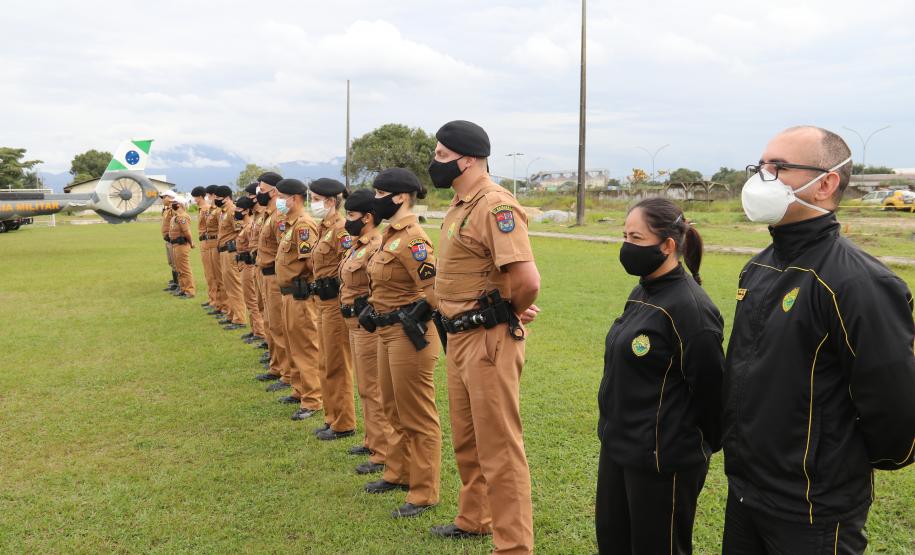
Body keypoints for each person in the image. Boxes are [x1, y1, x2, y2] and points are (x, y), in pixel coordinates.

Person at [722, 126, 915, 554]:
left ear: (826, 183)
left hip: (814, 508)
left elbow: (895, 404)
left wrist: (835, 466)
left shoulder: (859, 281)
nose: (762, 178)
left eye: (780, 167)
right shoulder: (758, 268)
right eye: (761, 165)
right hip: (746, 492)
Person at [427, 120, 540, 554]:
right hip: (459, 337)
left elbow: (527, 278)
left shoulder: (494, 205)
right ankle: (475, 517)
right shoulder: (461, 204)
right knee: (468, 438)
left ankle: (513, 547)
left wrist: (507, 308)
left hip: (487, 339)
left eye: (440, 155)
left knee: (500, 449)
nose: (434, 164)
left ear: (467, 159)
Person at [595, 198, 724, 555]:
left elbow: (712, 393)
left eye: (636, 238)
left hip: (661, 461)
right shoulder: (642, 291)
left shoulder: (693, 310)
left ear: (667, 245)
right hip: (619, 447)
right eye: (624, 235)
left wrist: (684, 446)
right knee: (613, 542)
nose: (626, 246)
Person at [362, 168, 441, 519]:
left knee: (417, 413)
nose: (374, 199)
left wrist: (412, 313)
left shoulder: (414, 240)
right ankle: (398, 473)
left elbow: (435, 294)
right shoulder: (389, 236)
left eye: (380, 193)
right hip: (386, 331)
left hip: (410, 335)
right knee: (392, 406)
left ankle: (424, 492)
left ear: (400, 197)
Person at [338, 188, 393, 474]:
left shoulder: (375, 245)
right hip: (353, 322)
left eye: (352, 215)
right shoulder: (358, 244)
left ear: (368, 217)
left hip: (367, 324)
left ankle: (382, 450)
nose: (348, 220)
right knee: (365, 386)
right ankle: (373, 439)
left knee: (372, 388)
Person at [309, 178, 357, 441]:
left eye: (315, 199)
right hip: (322, 303)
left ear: (330, 201)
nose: (312, 203)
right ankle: (332, 417)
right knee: (325, 361)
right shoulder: (323, 228)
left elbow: (349, 268)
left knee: (337, 363)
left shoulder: (341, 230)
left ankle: (344, 422)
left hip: (336, 305)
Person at [273, 178, 324, 420]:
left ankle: (313, 399)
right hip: (288, 295)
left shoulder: (304, 226)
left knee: (306, 347)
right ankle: (299, 390)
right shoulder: (290, 224)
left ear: (294, 199)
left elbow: (311, 262)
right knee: (293, 346)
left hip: (301, 296)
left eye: (281, 196)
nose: (277, 201)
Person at [254, 173, 294, 391]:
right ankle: (277, 366)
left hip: (274, 277)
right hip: (265, 274)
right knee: (270, 323)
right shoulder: (269, 214)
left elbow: (282, 251)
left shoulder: (279, 216)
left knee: (278, 326)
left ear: (274, 191)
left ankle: (287, 373)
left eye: (262, 189)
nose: (258, 193)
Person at [214, 186, 247, 331]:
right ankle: (231, 314)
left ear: (226, 198)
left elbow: (240, 230)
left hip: (230, 251)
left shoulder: (233, 211)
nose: (215, 200)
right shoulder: (223, 212)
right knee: (228, 286)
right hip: (223, 252)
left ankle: (239, 318)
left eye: (218, 198)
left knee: (234, 286)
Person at [235, 196, 266, 342]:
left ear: (247, 211)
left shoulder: (249, 227)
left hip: (249, 266)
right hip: (243, 265)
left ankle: (259, 331)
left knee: (252, 300)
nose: (237, 212)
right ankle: (255, 329)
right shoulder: (246, 226)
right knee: (249, 299)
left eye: (239, 209)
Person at [191, 186, 219, 309]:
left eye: (196, 197)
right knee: (208, 273)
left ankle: (216, 301)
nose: (194, 199)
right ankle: (212, 298)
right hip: (204, 242)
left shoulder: (207, 209)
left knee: (213, 274)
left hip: (210, 242)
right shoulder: (202, 209)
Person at [204, 184, 228, 317]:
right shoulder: (215, 210)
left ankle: (225, 307)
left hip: (218, 244)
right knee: (214, 276)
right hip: (213, 243)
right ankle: (219, 304)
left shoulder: (221, 211)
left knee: (221, 278)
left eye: (209, 195)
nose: (208, 198)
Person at [167, 196, 197, 299]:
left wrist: (191, 242)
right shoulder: (175, 217)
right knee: (179, 269)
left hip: (181, 245)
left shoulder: (183, 217)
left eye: (173, 202)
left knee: (184, 269)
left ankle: (189, 291)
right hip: (175, 245)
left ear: (179, 204)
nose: (171, 204)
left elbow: (187, 232)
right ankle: (183, 288)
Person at [159, 190, 178, 292]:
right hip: (168, 239)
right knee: (171, 262)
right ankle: (175, 282)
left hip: (173, 239)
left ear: (170, 197)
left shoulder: (174, 209)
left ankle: (179, 284)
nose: (162, 199)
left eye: (163, 197)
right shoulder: (167, 209)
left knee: (175, 262)